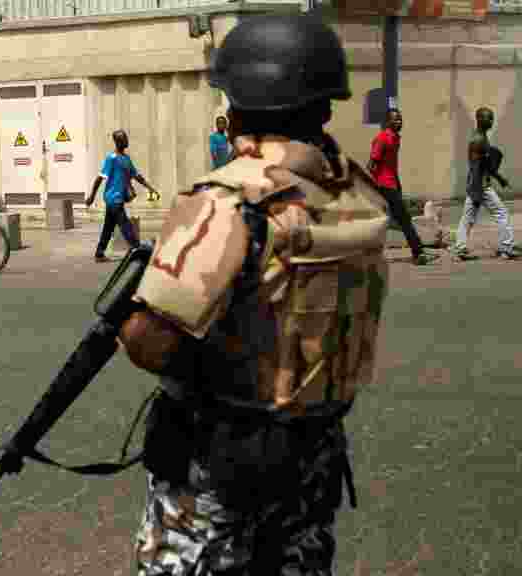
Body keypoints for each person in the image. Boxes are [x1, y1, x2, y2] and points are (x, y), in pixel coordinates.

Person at [118, 13, 389, 575]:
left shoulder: (230, 201)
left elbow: (149, 342)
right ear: (324, 106)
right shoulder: (357, 192)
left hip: (219, 468)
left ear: (240, 106)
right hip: (312, 456)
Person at [452, 107, 522, 261]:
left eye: (492, 118)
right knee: (501, 213)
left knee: (467, 218)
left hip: (476, 185)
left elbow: (486, 165)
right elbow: (476, 167)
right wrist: (478, 190)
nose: (491, 121)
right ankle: (507, 248)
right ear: (478, 119)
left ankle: (459, 249)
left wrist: (499, 178)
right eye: (488, 118)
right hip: (480, 186)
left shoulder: (482, 137)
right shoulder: (478, 140)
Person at [368, 109, 439, 266]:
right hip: (384, 185)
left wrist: (397, 183)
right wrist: (376, 186)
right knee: (404, 219)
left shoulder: (395, 138)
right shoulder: (383, 138)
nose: (399, 122)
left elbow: (391, 165)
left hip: (391, 184)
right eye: (395, 119)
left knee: (394, 220)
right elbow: (371, 164)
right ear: (387, 122)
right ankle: (418, 253)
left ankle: (417, 251)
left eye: (400, 119)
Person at [85, 129, 158, 263]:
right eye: (124, 139)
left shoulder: (126, 158)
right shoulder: (111, 158)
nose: (127, 140)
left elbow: (136, 175)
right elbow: (100, 178)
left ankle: (99, 253)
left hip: (118, 198)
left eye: (126, 138)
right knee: (126, 225)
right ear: (117, 142)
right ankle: (137, 249)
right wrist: (92, 196)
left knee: (108, 227)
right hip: (113, 198)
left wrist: (150, 188)